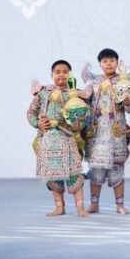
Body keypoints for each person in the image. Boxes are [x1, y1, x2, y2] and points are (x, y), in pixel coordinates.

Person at [27, 60, 88, 217]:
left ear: (71, 75)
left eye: (65, 72)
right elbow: (31, 112)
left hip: (68, 138)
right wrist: (38, 123)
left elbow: (82, 119)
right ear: (51, 75)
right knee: (53, 176)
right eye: (58, 72)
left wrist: (75, 124)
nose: (61, 74)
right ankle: (59, 207)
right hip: (48, 140)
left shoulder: (76, 95)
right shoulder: (43, 93)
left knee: (75, 174)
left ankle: (80, 208)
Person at [82, 48, 130, 214]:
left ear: (117, 62)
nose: (108, 64)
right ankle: (94, 204)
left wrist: (127, 101)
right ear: (100, 64)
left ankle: (120, 205)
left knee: (117, 169)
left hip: (116, 132)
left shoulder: (124, 82)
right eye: (105, 61)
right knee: (96, 170)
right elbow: (84, 103)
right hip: (97, 133)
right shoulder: (93, 83)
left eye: (112, 60)